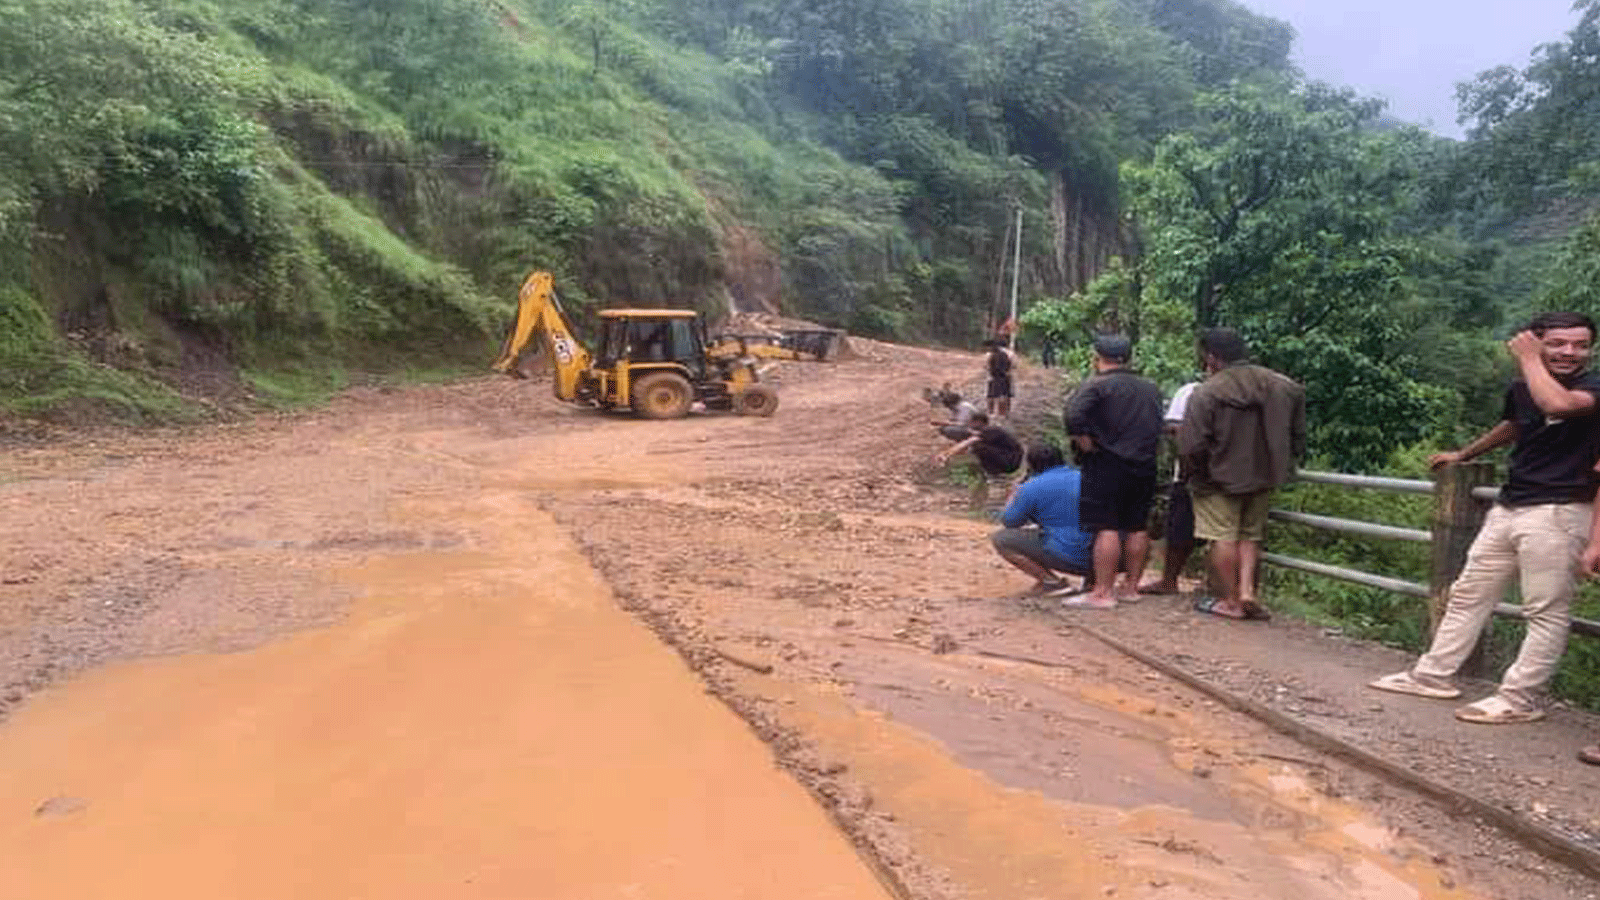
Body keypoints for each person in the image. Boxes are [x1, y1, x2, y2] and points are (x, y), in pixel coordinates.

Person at [1371, 312, 1600, 724]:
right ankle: (1433, 674)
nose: (1570, 352)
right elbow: (1515, 424)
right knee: (1467, 594)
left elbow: (1558, 405)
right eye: (1558, 343)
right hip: (1511, 504)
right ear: (1538, 341)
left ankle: (1519, 698)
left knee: (1544, 610)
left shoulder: (1591, 386)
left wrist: (1529, 358)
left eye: (1580, 345)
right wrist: (1464, 455)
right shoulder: (1523, 386)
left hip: (1561, 510)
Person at [1178, 328, 1304, 622]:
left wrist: (1194, 473)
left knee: (1222, 537)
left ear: (1211, 357)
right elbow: (1298, 435)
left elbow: (1191, 444)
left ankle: (1230, 599)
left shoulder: (1207, 392)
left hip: (1217, 477)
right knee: (1250, 536)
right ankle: (1248, 591)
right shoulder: (1283, 386)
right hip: (1264, 475)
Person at [1064, 334, 1164, 608]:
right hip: (1144, 464)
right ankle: (1131, 588)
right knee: (1137, 525)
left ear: (1097, 357)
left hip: (1107, 463)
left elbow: (1073, 416)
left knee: (1105, 526)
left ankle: (1102, 592)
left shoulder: (1097, 385)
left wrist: (1085, 443)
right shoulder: (1150, 387)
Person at [991, 443, 1095, 593]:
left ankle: (1051, 582)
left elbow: (1009, 521)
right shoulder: (1087, 477)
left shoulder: (1031, 487)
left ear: (1031, 465)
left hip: (1071, 557)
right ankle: (1094, 582)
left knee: (1002, 539)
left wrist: (1013, 495)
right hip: (1110, 558)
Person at [1138, 378, 1202, 595]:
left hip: (1190, 472)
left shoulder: (1192, 390)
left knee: (1180, 528)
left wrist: (1186, 459)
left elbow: (1173, 428)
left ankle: (1169, 580)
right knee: (1233, 534)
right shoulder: (1258, 388)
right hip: (1238, 472)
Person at [935, 411, 1023, 506]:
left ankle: (992, 478)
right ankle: (980, 496)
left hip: (1009, 463)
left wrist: (946, 454)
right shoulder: (990, 433)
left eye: (971, 422)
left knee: (977, 447)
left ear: (978, 422)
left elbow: (970, 442)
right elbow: (967, 442)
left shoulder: (990, 430)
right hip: (1010, 462)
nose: (970, 425)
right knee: (975, 449)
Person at [985, 340, 1015, 418]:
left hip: (992, 376)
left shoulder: (990, 354)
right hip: (1005, 376)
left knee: (991, 395)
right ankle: (1004, 412)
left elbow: (987, 365)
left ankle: (990, 412)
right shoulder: (1010, 353)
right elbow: (1013, 365)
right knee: (1004, 395)